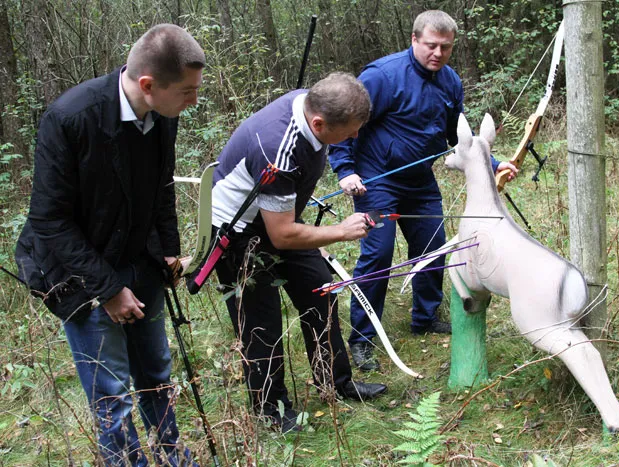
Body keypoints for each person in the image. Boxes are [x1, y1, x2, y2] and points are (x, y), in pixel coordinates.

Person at [15, 24, 205, 466]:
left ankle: (173, 456)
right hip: (78, 275)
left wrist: (170, 250)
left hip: (139, 259)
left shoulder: (162, 116)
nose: (193, 101)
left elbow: (161, 189)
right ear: (148, 85)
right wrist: (108, 290)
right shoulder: (70, 118)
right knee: (112, 392)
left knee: (156, 372)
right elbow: (49, 220)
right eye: (188, 91)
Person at [329, 10, 517, 371]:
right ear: (414, 40)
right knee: (379, 255)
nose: (438, 53)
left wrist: (492, 164)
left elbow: (456, 139)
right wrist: (345, 169)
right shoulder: (382, 77)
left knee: (433, 247)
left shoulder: (450, 82)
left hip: (420, 180)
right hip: (376, 178)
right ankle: (364, 339)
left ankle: (426, 318)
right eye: (431, 45)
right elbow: (346, 121)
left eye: (445, 47)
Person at [211, 72, 387, 433]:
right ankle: (271, 410)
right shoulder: (279, 148)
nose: (354, 137)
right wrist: (338, 232)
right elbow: (283, 235)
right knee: (261, 322)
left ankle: (335, 383)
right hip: (237, 232)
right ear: (319, 123)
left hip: (277, 217)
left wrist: (316, 240)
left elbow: (285, 220)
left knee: (320, 290)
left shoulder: (314, 103)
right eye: (350, 131)